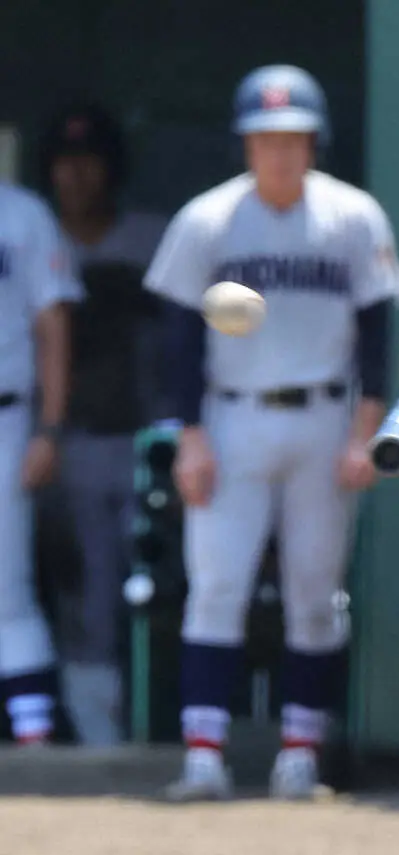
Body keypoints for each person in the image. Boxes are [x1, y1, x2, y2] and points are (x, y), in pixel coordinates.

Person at [144, 64, 399, 800]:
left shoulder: (351, 214)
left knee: (315, 592)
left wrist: (365, 428)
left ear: (312, 141)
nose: (280, 152)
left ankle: (299, 754)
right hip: (232, 417)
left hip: (324, 417)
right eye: (266, 138)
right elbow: (177, 339)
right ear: (246, 144)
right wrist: (188, 434)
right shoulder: (208, 218)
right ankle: (203, 755)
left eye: (292, 138)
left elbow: (374, 324)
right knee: (216, 584)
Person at [38, 101, 168, 746]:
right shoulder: (35, 235)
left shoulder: (152, 237)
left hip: (142, 442)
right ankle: (84, 734)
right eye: (65, 162)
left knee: (139, 593)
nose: (77, 175)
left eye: (89, 161)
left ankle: (140, 731)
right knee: (71, 593)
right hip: (56, 445)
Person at [0, 172, 82, 745]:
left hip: (6, 416)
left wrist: (49, 428)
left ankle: (34, 742)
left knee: (7, 585)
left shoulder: (21, 213)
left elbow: (52, 323)